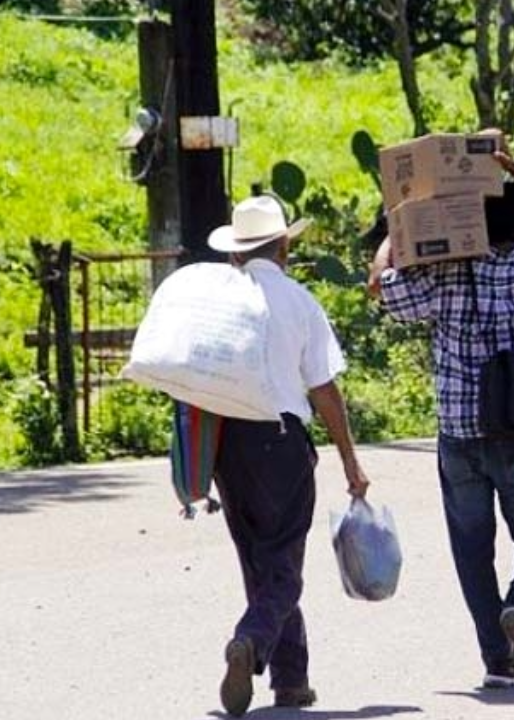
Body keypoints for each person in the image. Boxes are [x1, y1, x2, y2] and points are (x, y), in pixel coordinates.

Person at [368, 137, 514, 690]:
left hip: (459, 435)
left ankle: (496, 660)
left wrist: (401, 220)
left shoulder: (444, 276)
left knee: (471, 550)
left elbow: (380, 289)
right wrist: (513, 166)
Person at [206, 195, 370, 716]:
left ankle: (291, 680)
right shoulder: (299, 301)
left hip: (227, 443)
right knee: (285, 566)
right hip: (281, 441)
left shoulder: (216, 300)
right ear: (284, 247)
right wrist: (349, 459)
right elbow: (323, 389)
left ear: (237, 253)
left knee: (260, 559)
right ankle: (250, 640)